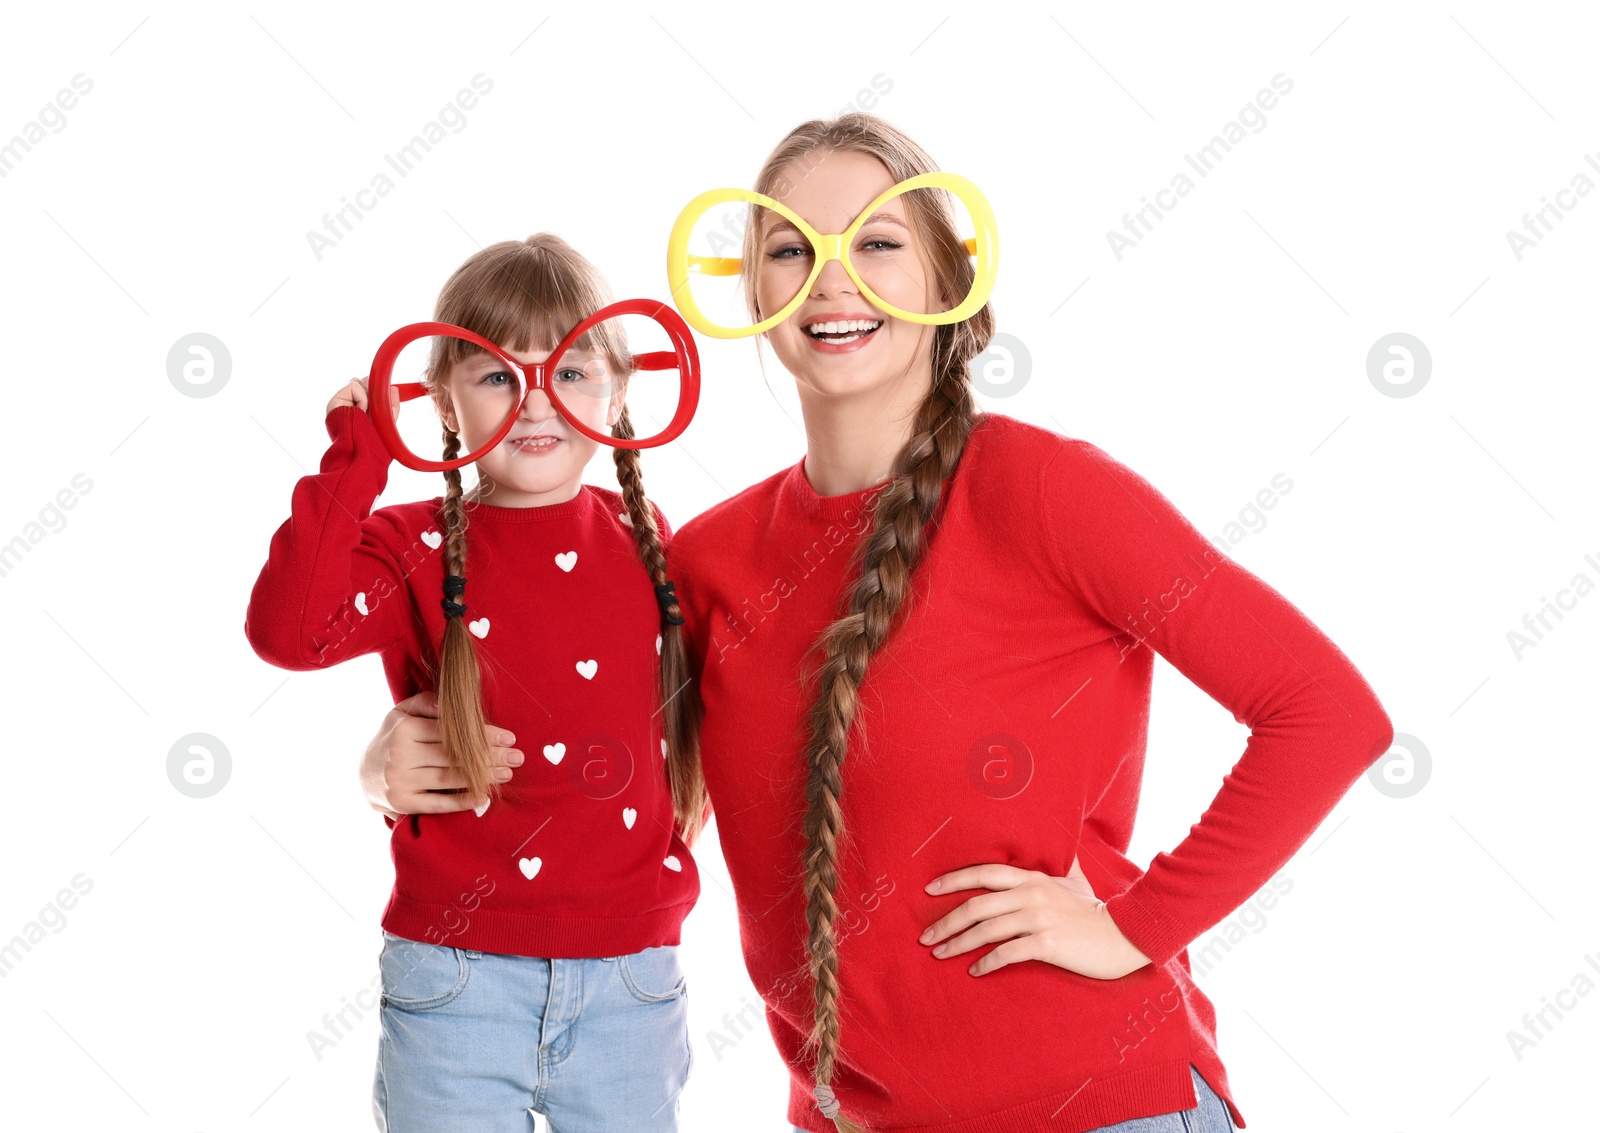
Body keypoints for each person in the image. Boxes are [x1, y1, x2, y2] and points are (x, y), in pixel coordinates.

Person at [356, 115, 1393, 1133]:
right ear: (752, 296)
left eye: (878, 242)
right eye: (790, 249)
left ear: (948, 280)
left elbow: (1325, 711)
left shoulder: (1045, 491)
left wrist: (1137, 924)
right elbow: (596, 746)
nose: (832, 277)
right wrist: (392, 762)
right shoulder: (707, 560)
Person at [244, 233, 707, 1132]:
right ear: (443, 400)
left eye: (572, 371)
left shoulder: (654, 546)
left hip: (632, 980)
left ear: (618, 390)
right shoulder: (411, 543)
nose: (536, 400)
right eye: (498, 375)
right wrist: (359, 454)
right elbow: (289, 633)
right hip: (453, 977)